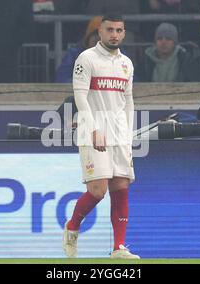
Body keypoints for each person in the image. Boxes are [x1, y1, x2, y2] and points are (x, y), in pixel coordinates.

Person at [63, 14, 139, 259]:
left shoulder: (127, 63)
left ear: (124, 33)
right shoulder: (87, 58)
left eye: (119, 30)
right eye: (109, 30)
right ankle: (72, 226)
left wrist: (128, 132)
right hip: (93, 127)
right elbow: (80, 96)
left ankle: (118, 247)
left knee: (121, 186)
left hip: (119, 132)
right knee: (97, 190)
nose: (114, 34)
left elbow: (128, 100)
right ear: (100, 32)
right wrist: (94, 127)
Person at [136, 22, 200, 82]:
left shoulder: (185, 60)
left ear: (175, 42)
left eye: (168, 39)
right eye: (159, 39)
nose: (163, 42)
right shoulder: (146, 61)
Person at [55, 16, 102, 83]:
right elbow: (61, 79)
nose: (99, 40)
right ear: (88, 38)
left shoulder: (118, 56)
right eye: (96, 34)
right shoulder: (75, 54)